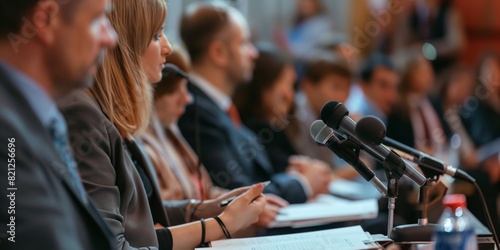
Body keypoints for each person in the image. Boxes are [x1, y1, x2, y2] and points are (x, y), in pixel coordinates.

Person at [58, 0, 266, 249]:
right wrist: (220, 225)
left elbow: (139, 213)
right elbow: (112, 244)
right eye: (156, 35)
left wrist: (203, 209)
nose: (167, 47)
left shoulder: (110, 113)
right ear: (125, 45)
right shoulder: (82, 114)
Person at [178, 1, 329, 203]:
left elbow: (252, 176)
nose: (253, 53)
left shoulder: (218, 107)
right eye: (244, 43)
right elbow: (236, 193)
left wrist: (287, 172)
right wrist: (301, 182)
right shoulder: (193, 109)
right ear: (218, 53)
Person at [0, 0, 117, 249]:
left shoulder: (38, 117)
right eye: (98, 20)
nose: (111, 38)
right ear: (44, 19)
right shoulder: (7, 137)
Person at [142, 47, 286, 230]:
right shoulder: (142, 146)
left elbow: (206, 192)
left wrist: (242, 200)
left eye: (186, 89)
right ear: (152, 95)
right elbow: (163, 217)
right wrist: (228, 217)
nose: (187, 99)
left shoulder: (171, 133)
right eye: (176, 91)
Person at [289, 55, 357, 179]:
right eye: (336, 87)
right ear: (308, 86)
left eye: (347, 90)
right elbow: (319, 174)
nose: (343, 96)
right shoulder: (294, 117)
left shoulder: (326, 118)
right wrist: (352, 171)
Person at [348, 53, 400, 124]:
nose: (392, 96)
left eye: (394, 87)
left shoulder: (379, 113)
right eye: (383, 85)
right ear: (363, 85)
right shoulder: (354, 118)